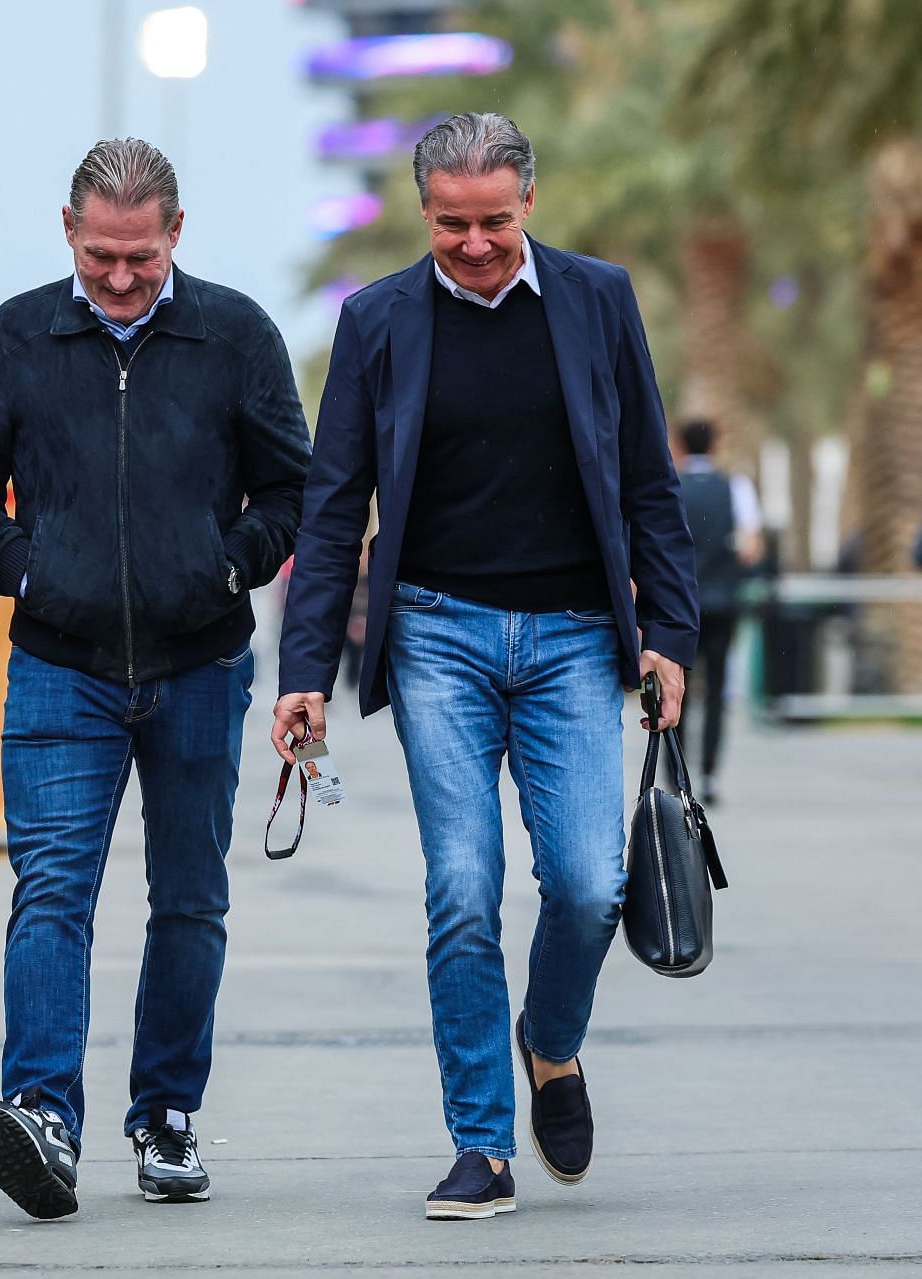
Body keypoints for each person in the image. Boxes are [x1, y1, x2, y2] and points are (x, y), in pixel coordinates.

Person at [272, 113, 697, 1221]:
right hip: (436, 635)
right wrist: (304, 671)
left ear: (530, 204)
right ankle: (481, 1142)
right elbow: (331, 513)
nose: (474, 244)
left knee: (589, 884)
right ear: (423, 212)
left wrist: (672, 637)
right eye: (452, 224)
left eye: (495, 222)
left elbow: (648, 479)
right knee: (461, 888)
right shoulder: (377, 323)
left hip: (569, 639)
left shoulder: (599, 301)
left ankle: (549, 1043)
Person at [0, 138, 311, 1219]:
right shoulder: (16, 336)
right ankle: (43, 1116)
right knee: (52, 889)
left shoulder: (235, 334)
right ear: (68, 229)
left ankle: (166, 1116)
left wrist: (227, 562)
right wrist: (32, 569)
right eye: (101, 254)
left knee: (190, 897)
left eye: (140, 256)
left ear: (176, 235)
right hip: (60, 667)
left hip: (201, 666)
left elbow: (295, 487)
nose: (120, 278)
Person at [674, 418, 762, 803]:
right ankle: (709, 775)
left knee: (679, 689)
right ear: (713, 446)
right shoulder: (735, 487)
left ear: (680, 445)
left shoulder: (671, 485)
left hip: (680, 605)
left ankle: (677, 777)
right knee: (716, 693)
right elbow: (750, 547)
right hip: (723, 602)